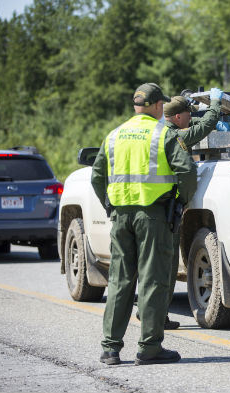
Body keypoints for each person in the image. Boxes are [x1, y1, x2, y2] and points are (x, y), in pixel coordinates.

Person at [91, 82, 197, 365]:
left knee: (120, 280)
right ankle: (149, 348)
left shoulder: (114, 135)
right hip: (153, 216)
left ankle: (110, 348)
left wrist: (110, 204)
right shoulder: (161, 134)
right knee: (153, 280)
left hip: (121, 216)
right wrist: (183, 200)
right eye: (161, 105)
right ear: (157, 106)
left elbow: (97, 176)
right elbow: (186, 170)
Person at [135, 87, 222, 329]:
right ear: (176, 118)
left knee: (150, 265)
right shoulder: (174, 136)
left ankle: (149, 312)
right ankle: (156, 317)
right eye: (187, 114)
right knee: (165, 266)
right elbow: (203, 128)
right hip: (165, 209)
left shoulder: (155, 134)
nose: (190, 118)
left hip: (144, 207)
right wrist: (215, 104)